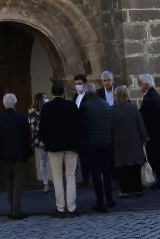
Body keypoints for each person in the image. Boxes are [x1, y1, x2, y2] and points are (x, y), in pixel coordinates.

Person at [37, 79, 83, 218]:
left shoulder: (47, 107)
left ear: (52, 93)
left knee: (57, 177)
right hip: (71, 145)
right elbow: (79, 125)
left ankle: (60, 208)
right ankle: (72, 207)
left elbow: (42, 128)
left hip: (54, 146)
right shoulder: (71, 106)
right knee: (70, 176)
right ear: (63, 93)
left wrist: (46, 142)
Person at [0, 93, 33, 220]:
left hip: (5, 155)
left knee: (9, 184)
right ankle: (16, 210)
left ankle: (12, 208)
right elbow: (27, 138)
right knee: (17, 183)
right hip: (19, 155)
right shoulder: (21, 118)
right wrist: (28, 153)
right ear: (15, 103)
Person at [78, 81, 115, 211]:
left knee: (96, 174)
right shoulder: (105, 104)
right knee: (106, 173)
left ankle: (100, 201)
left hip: (92, 144)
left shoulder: (85, 106)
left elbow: (81, 126)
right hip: (106, 143)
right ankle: (110, 199)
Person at [111, 83, 149, 197]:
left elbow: (110, 128)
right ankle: (137, 189)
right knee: (135, 167)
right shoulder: (133, 109)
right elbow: (140, 125)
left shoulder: (112, 110)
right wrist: (144, 138)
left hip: (119, 143)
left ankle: (125, 190)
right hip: (134, 142)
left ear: (116, 96)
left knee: (122, 168)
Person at [137, 74, 160, 189]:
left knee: (156, 157)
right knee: (155, 157)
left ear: (146, 84)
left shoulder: (151, 97)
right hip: (154, 133)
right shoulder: (151, 95)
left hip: (154, 133)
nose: (139, 86)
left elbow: (154, 116)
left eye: (140, 84)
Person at [29, 93, 49, 191]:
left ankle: (48, 183)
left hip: (46, 139)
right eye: (45, 98)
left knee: (48, 162)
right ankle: (46, 183)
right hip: (40, 140)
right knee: (43, 162)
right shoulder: (33, 111)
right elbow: (34, 127)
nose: (47, 99)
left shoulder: (48, 109)